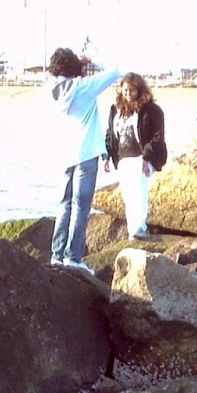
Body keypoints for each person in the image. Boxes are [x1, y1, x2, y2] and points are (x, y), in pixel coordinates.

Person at [46, 46, 120, 269]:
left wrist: (77, 65)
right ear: (75, 66)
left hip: (63, 155)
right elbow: (116, 71)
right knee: (81, 207)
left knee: (64, 205)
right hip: (86, 154)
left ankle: (56, 256)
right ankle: (73, 258)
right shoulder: (84, 87)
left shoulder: (51, 90)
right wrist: (91, 59)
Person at [103, 73, 167, 240]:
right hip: (122, 158)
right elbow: (110, 133)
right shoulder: (115, 109)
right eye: (125, 90)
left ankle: (141, 226)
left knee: (138, 187)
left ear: (139, 89)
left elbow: (157, 136)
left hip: (144, 156)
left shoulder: (152, 110)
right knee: (128, 193)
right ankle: (133, 232)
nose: (128, 94)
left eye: (132, 90)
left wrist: (145, 158)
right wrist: (107, 156)